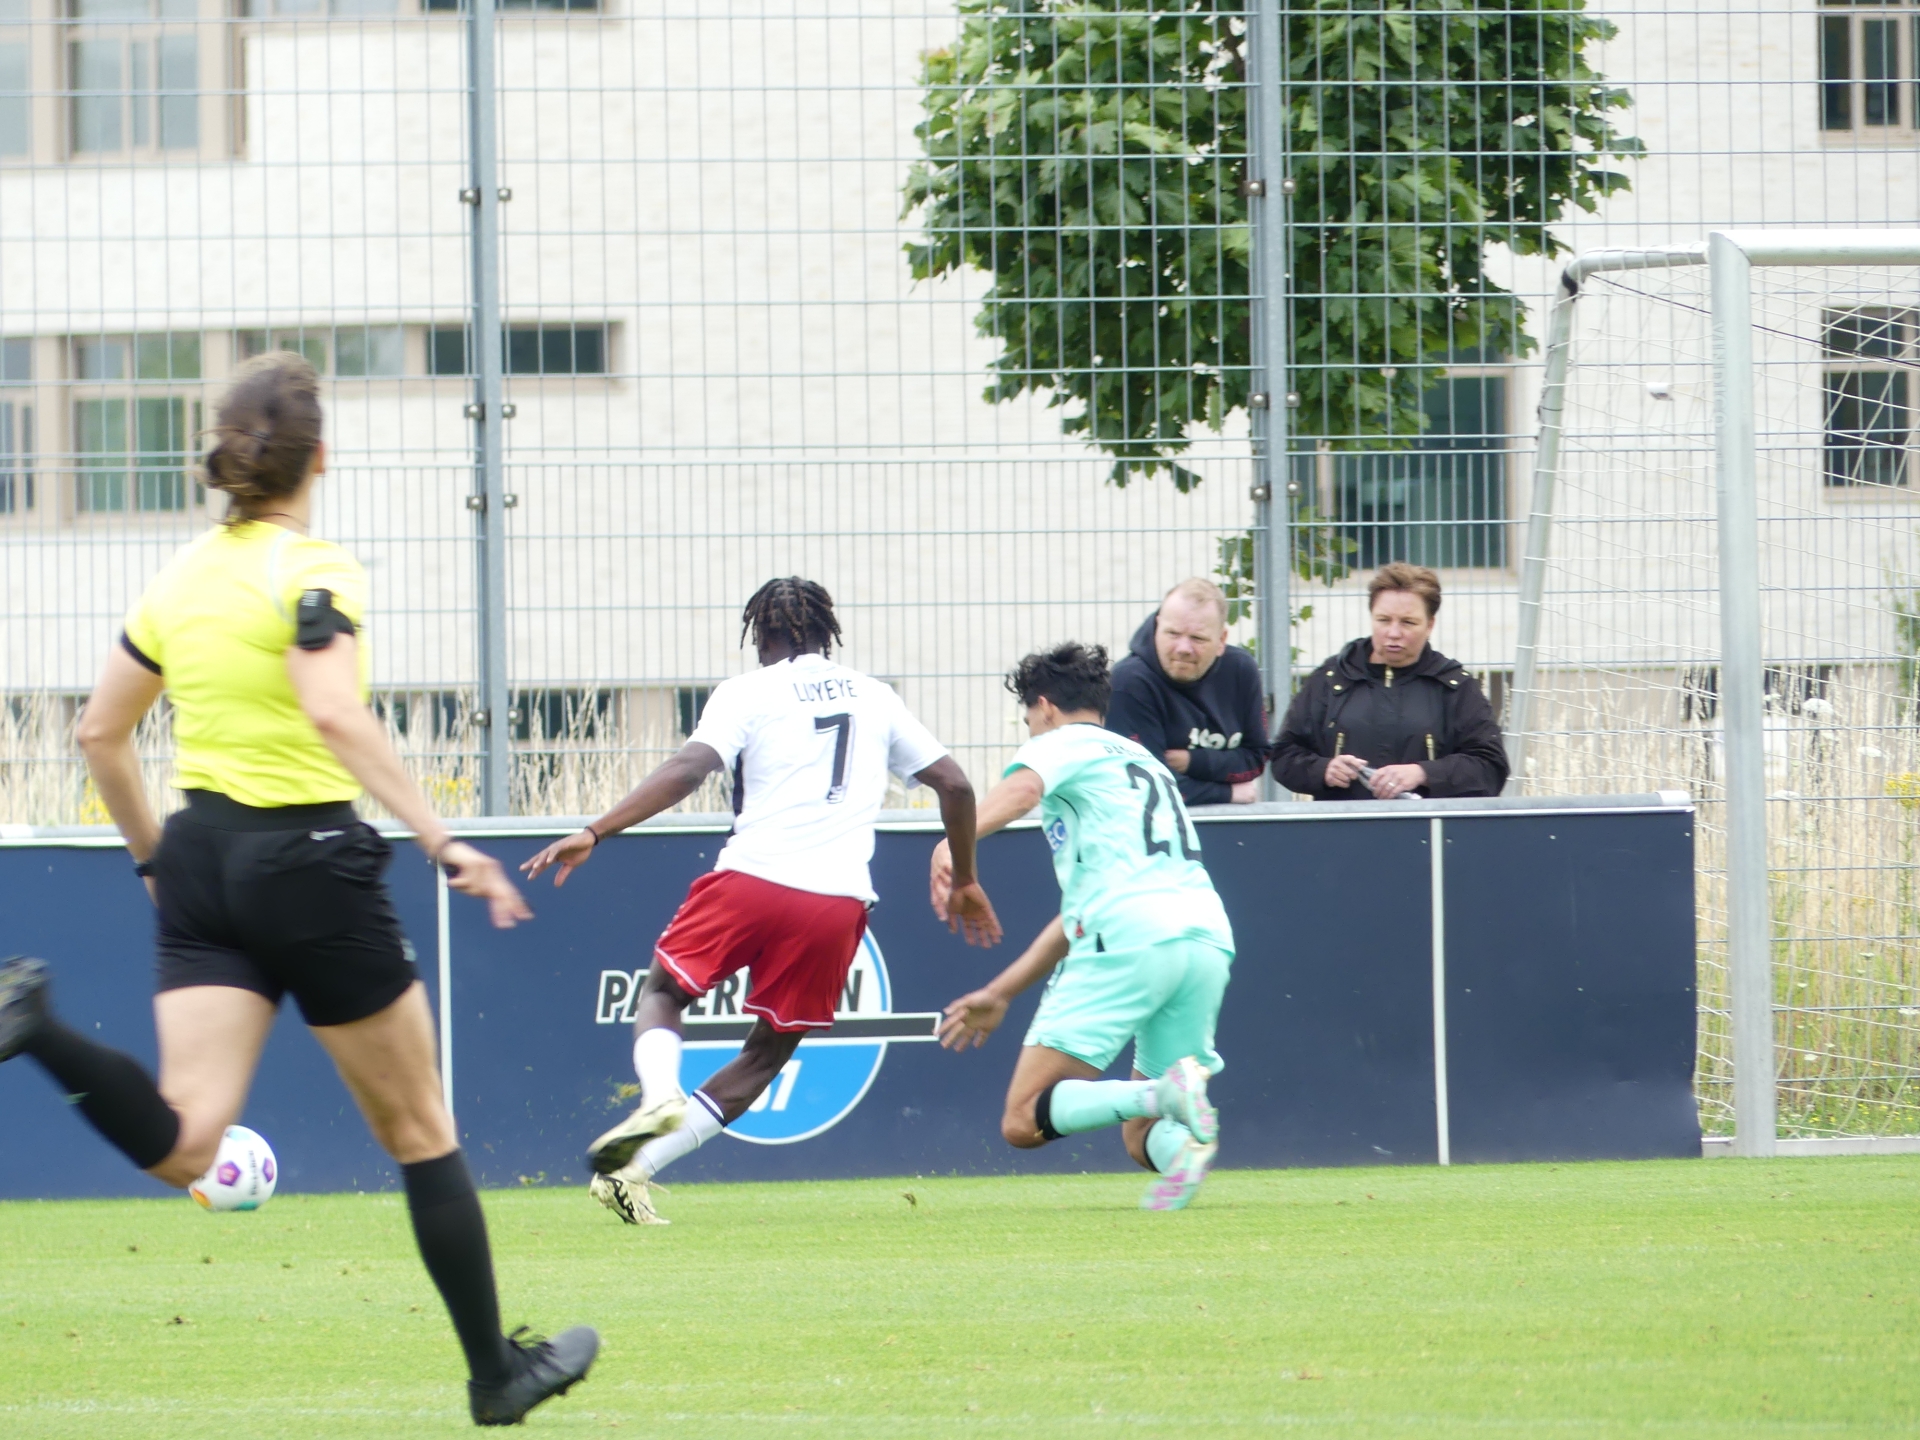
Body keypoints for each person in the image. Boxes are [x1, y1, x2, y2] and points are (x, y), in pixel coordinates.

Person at [0, 352, 597, 1426]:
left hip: (200, 860)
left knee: (189, 1140)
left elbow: (99, 733)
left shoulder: (180, 578)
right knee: (420, 1128)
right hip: (310, 861)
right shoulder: (314, 569)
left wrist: (153, 863)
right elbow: (329, 708)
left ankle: (36, 1026)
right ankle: (495, 1377)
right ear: (319, 457)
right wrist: (441, 839)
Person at [521, 577, 1001, 1225]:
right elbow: (956, 785)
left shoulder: (746, 691)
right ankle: (636, 1170)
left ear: (761, 635)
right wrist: (965, 876)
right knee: (767, 1052)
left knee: (663, 992)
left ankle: (659, 1097)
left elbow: (688, 769)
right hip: (837, 902)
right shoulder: (876, 696)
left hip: (753, 879)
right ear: (827, 632)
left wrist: (596, 830)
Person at [930, 642, 1233, 1212]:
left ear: (1044, 707)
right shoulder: (1144, 762)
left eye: (1028, 719)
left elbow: (1022, 790)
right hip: (1205, 937)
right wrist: (1002, 991)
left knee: (1023, 1118)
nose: (1031, 732)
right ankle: (1184, 1152)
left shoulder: (1062, 743)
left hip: (1131, 933)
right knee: (1143, 1134)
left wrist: (952, 844)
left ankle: (1163, 1093)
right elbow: (1081, 915)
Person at [1271, 562, 1508, 801]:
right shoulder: (1332, 679)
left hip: (1427, 822)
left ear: (1430, 625)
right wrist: (1324, 770)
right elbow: (1284, 756)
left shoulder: (1454, 687)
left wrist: (1424, 773)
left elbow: (1490, 768)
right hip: (1345, 821)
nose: (1393, 633)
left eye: (1408, 622)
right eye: (1384, 620)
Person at [1105, 578, 1269, 807]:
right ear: (1157, 627)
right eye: (1173, 634)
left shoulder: (1240, 670)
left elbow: (1257, 758)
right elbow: (1144, 785)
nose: (1183, 648)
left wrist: (1192, 761)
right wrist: (1227, 793)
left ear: (1221, 640)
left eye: (1197, 638)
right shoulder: (1128, 683)